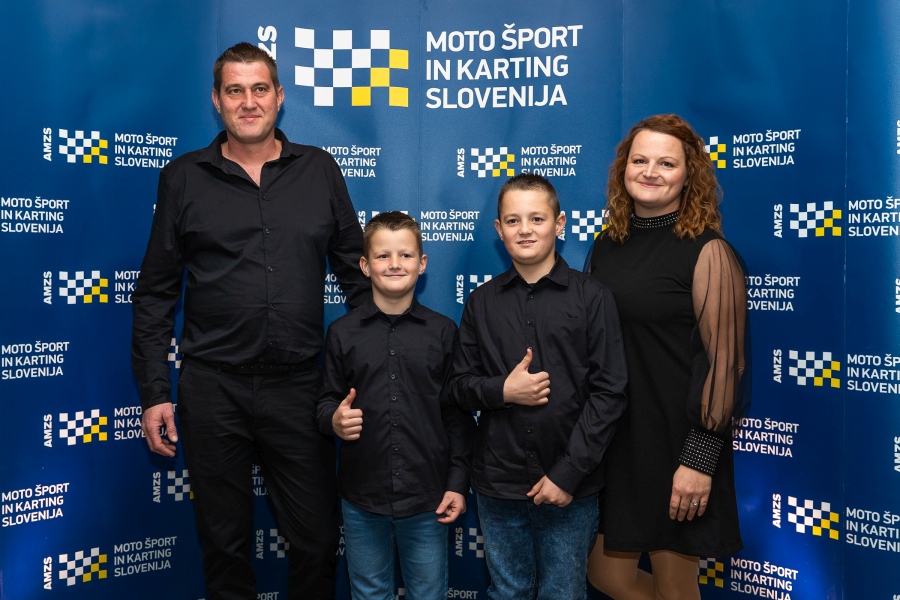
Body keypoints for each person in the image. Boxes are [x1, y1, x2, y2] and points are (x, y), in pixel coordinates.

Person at [131, 42, 369, 600]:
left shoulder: (320, 170)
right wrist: (154, 392)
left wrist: (380, 366)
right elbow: (156, 294)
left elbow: (357, 277)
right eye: (234, 90)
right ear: (216, 101)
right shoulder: (183, 177)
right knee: (224, 546)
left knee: (316, 541)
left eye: (259, 88)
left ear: (279, 97)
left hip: (300, 388)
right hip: (212, 388)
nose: (248, 102)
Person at [586, 114, 749, 600]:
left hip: (678, 442)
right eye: (640, 160)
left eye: (666, 163)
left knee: (676, 587)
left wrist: (700, 457)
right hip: (618, 439)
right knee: (606, 575)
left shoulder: (707, 251)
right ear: (624, 169)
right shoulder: (606, 245)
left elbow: (726, 365)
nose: (651, 171)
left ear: (688, 174)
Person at [448, 173, 628, 600]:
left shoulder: (592, 297)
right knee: (507, 592)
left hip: (570, 486)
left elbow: (610, 391)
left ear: (559, 224)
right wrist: (502, 391)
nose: (525, 229)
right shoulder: (481, 301)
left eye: (537, 218)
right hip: (498, 484)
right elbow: (458, 386)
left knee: (562, 593)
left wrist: (567, 474)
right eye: (513, 221)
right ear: (499, 230)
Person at [315, 211, 475, 600]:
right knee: (369, 593)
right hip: (361, 497)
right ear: (365, 265)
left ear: (422, 263)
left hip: (427, 497)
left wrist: (457, 482)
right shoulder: (342, 333)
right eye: (383, 256)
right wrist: (333, 420)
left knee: (428, 593)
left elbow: (457, 416)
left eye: (405, 255)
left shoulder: (443, 332)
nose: (394, 264)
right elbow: (325, 401)